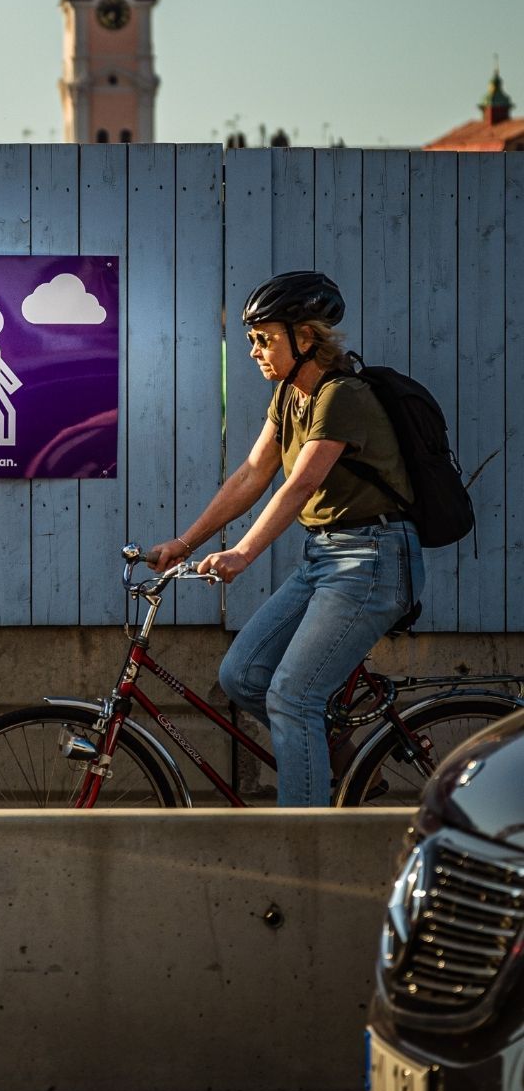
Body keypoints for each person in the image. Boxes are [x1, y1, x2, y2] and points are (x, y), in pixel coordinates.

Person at [144, 271, 422, 807]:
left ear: (307, 337)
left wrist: (243, 552)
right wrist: (187, 541)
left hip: (372, 558)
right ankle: (345, 765)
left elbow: (301, 484)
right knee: (243, 675)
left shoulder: (342, 395)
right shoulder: (289, 396)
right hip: (325, 556)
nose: (254, 350)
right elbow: (253, 473)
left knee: (294, 697)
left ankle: (301, 838)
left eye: (264, 338)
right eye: (252, 338)